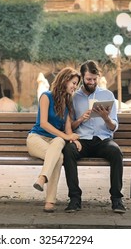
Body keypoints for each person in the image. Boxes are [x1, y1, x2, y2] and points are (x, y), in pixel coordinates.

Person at [63, 60, 126, 213]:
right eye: (88, 79)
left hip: (102, 141)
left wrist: (106, 118)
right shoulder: (74, 97)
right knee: (68, 151)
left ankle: (117, 199)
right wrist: (80, 119)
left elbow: (113, 127)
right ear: (82, 78)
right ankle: (75, 199)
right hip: (82, 141)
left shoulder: (107, 95)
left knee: (116, 152)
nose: (92, 82)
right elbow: (69, 127)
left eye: (94, 79)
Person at [26, 67, 81, 213]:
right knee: (59, 154)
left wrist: (73, 139)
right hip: (36, 139)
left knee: (59, 145)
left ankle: (42, 179)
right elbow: (43, 123)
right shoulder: (46, 96)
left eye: (76, 84)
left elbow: (68, 131)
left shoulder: (68, 104)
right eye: (73, 83)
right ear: (64, 80)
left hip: (53, 142)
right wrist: (66, 136)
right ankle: (50, 200)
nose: (75, 87)